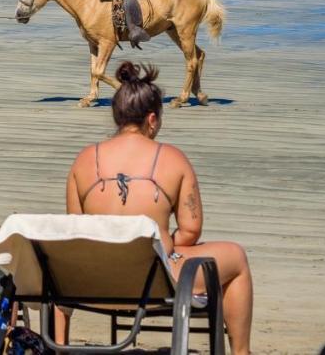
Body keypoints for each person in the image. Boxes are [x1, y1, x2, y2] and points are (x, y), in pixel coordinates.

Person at [62, 61, 253, 354]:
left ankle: (56, 347)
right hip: (154, 283)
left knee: (58, 263)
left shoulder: (83, 160)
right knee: (236, 258)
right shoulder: (173, 159)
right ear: (152, 120)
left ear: (117, 116)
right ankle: (242, 353)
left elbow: (76, 231)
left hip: (92, 284)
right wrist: (163, 242)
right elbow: (191, 230)